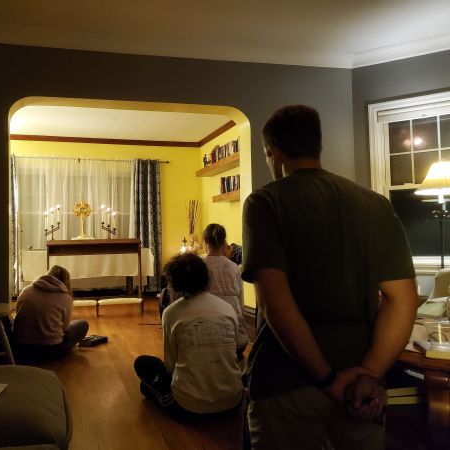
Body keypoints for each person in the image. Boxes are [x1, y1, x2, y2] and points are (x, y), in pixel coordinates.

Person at [242, 105, 418, 449]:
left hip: (287, 381)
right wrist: (369, 374)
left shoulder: (265, 202)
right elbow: (403, 299)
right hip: (363, 385)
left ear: (273, 153)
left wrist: (328, 379)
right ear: (317, 146)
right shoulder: (375, 204)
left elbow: (277, 306)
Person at [134, 253, 244, 417]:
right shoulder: (227, 308)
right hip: (233, 401)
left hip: (189, 406)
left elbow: (171, 365)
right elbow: (237, 348)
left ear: (174, 283)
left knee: (143, 366)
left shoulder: (171, 313)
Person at [13, 265, 89, 361]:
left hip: (22, 348)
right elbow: (65, 328)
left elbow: (18, 315)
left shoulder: (26, 290)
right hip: (52, 350)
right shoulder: (65, 297)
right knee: (82, 324)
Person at [202, 223, 249, 359]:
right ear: (224, 242)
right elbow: (241, 303)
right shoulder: (234, 268)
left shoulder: (201, 267)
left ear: (206, 242)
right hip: (237, 339)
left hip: (209, 337)